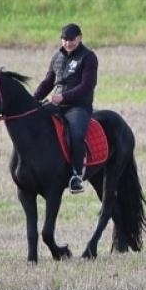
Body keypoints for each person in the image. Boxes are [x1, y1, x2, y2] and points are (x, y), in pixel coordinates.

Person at [32, 24, 98, 192]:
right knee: (35, 124)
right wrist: (33, 99)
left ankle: (76, 175)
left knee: (76, 135)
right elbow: (48, 82)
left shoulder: (88, 57)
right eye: (64, 39)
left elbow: (87, 85)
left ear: (79, 38)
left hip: (79, 107)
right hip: (57, 105)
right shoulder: (57, 57)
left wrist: (64, 97)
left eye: (71, 39)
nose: (67, 43)